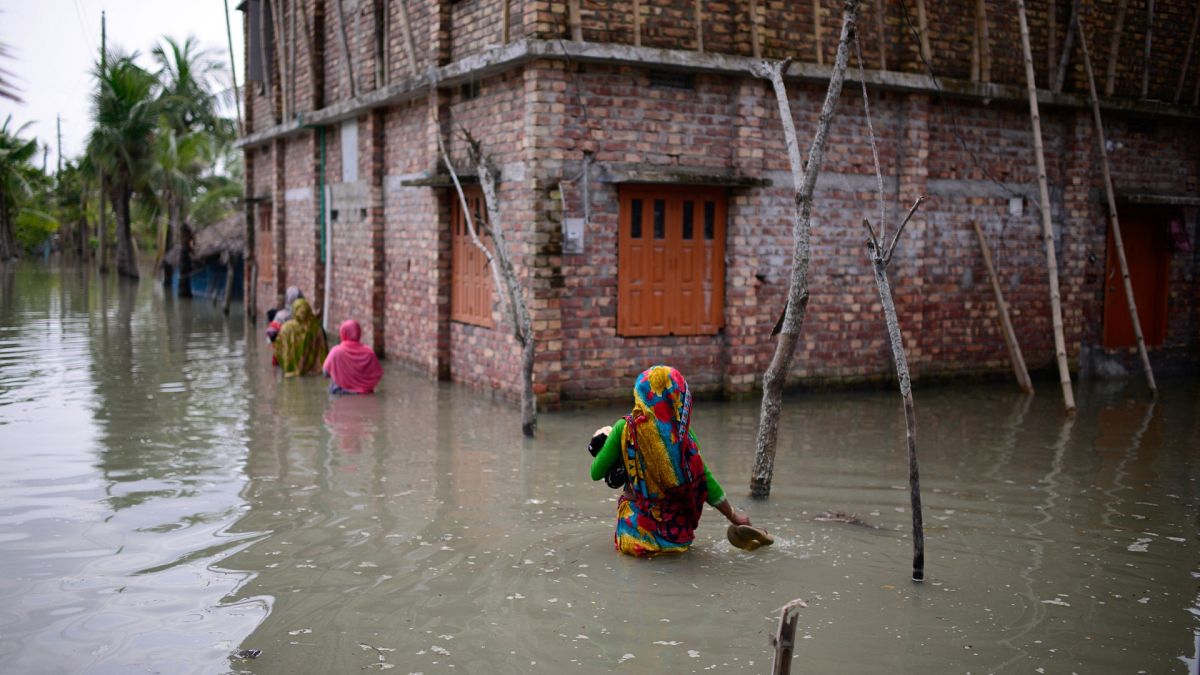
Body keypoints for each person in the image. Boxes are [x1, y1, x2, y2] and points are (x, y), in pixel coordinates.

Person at [589, 365, 754, 557]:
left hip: (635, 537)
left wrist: (611, 446)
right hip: (675, 540)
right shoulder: (684, 436)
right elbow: (704, 481)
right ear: (679, 396)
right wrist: (733, 515)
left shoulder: (624, 429)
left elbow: (596, 473)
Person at [322, 319, 383, 395]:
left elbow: (325, 373)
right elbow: (378, 373)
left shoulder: (336, 351)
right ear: (359, 333)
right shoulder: (369, 353)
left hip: (340, 392)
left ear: (343, 332)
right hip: (365, 393)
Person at [275, 298, 329, 377]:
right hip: (312, 374)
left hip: (289, 372)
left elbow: (279, 348)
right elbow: (323, 351)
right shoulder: (316, 328)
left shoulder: (286, 327)